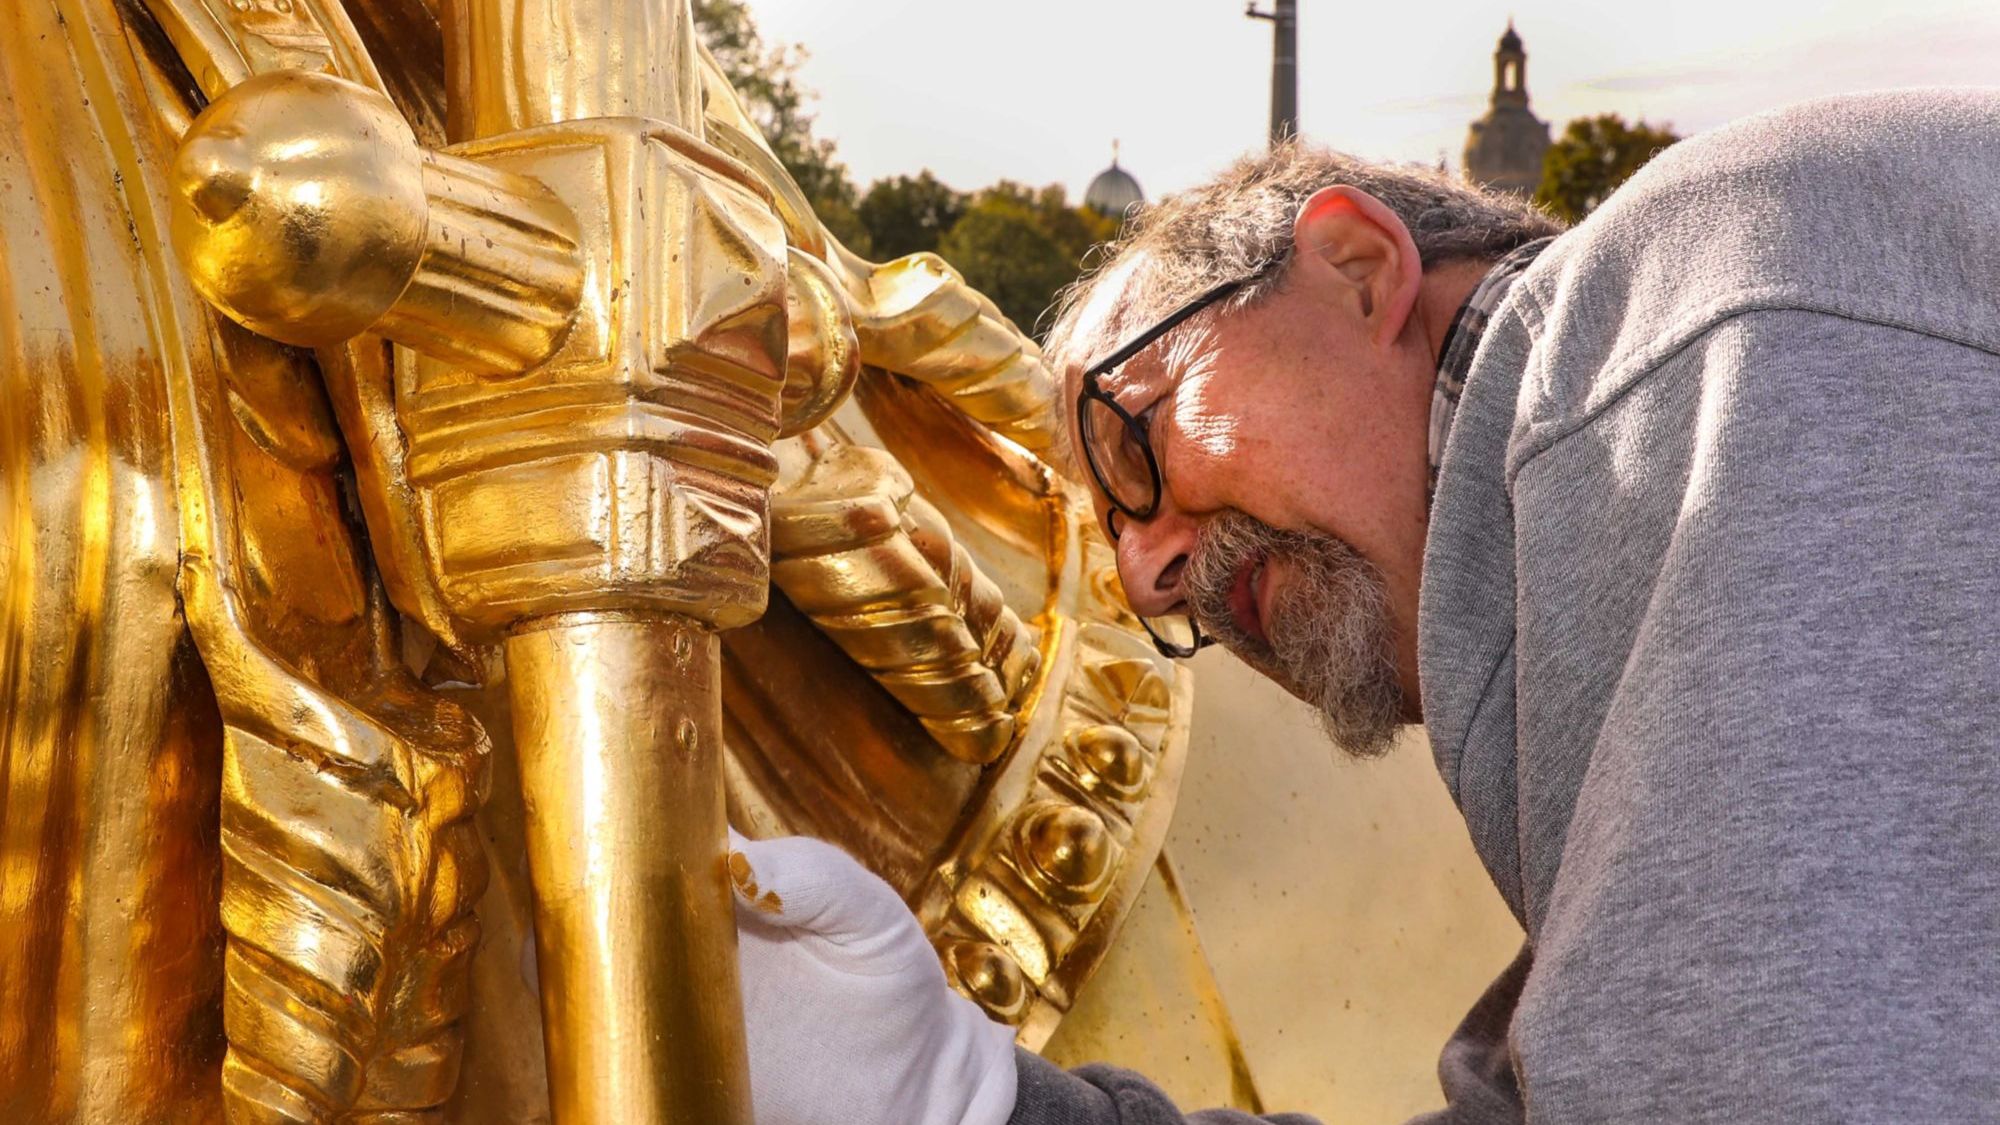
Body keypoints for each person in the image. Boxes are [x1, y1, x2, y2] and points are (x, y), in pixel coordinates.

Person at [730, 88, 2000, 1123]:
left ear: (1354, 267)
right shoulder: (1577, 640)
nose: (1140, 577)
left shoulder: (1721, 300)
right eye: (1113, 538)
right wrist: (966, 1103)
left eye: (1133, 441)